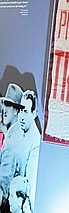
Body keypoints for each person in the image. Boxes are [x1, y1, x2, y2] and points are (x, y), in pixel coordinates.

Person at [0, 84, 25, 212]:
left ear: (16, 111)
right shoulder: (13, 135)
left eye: (8, 105)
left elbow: (3, 186)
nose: (4, 109)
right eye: (4, 104)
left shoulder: (12, 143)